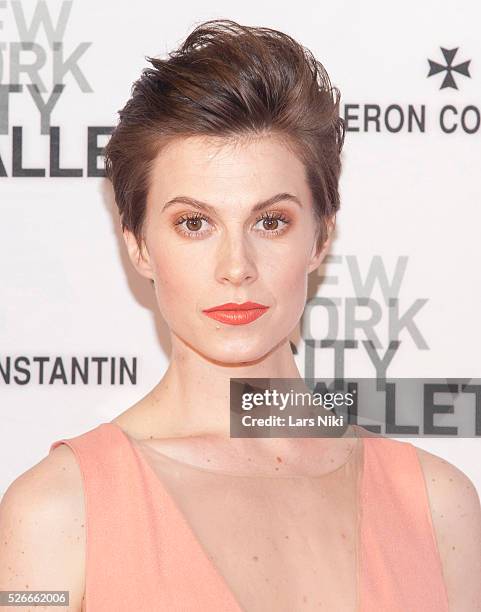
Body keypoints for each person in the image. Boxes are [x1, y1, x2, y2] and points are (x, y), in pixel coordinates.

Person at [1, 18, 480, 612]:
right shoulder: (58, 513)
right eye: (194, 224)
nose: (236, 266)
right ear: (139, 245)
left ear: (320, 237)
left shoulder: (439, 507)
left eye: (270, 221)